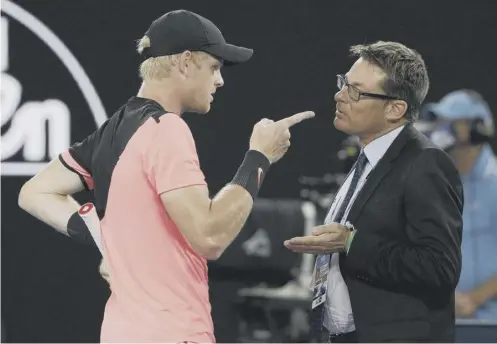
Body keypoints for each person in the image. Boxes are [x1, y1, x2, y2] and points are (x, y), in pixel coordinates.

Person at [18, 9, 314, 343]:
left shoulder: (113, 131)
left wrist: (107, 240)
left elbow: (34, 192)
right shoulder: (165, 129)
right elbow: (209, 236)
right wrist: (260, 157)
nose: (220, 80)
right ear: (186, 62)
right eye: (214, 67)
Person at [284, 41, 464, 342]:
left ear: (395, 108)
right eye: (343, 83)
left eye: (356, 91)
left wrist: (351, 242)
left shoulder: (425, 163)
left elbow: (440, 268)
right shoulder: (368, 160)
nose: (339, 96)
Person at [421, 90, 497, 324]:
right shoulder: (435, 184)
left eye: (451, 123)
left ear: (477, 128)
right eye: (439, 122)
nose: (440, 129)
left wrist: (474, 299)